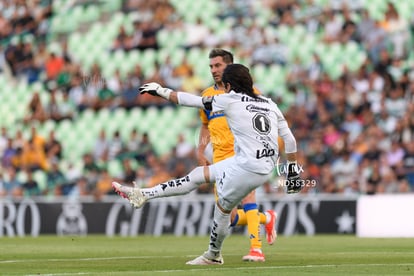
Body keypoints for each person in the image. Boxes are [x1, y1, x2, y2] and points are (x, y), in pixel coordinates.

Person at [113, 64, 302, 265]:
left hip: (248, 168)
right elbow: (290, 141)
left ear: (228, 85)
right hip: (256, 164)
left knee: (222, 210)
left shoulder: (228, 99)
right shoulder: (269, 103)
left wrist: (160, 91)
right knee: (197, 175)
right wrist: (292, 174)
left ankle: (213, 254)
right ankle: (143, 194)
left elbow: (191, 100)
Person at [196, 49, 276, 262]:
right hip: (219, 159)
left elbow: (264, 121)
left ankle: (256, 249)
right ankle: (266, 218)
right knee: (228, 218)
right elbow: (205, 125)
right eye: (211, 66)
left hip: (243, 155)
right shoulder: (207, 96)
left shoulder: (251, 92)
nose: (213, 70)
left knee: (249, 198)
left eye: (218, 66)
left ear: (229, 66)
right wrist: (200, 150)